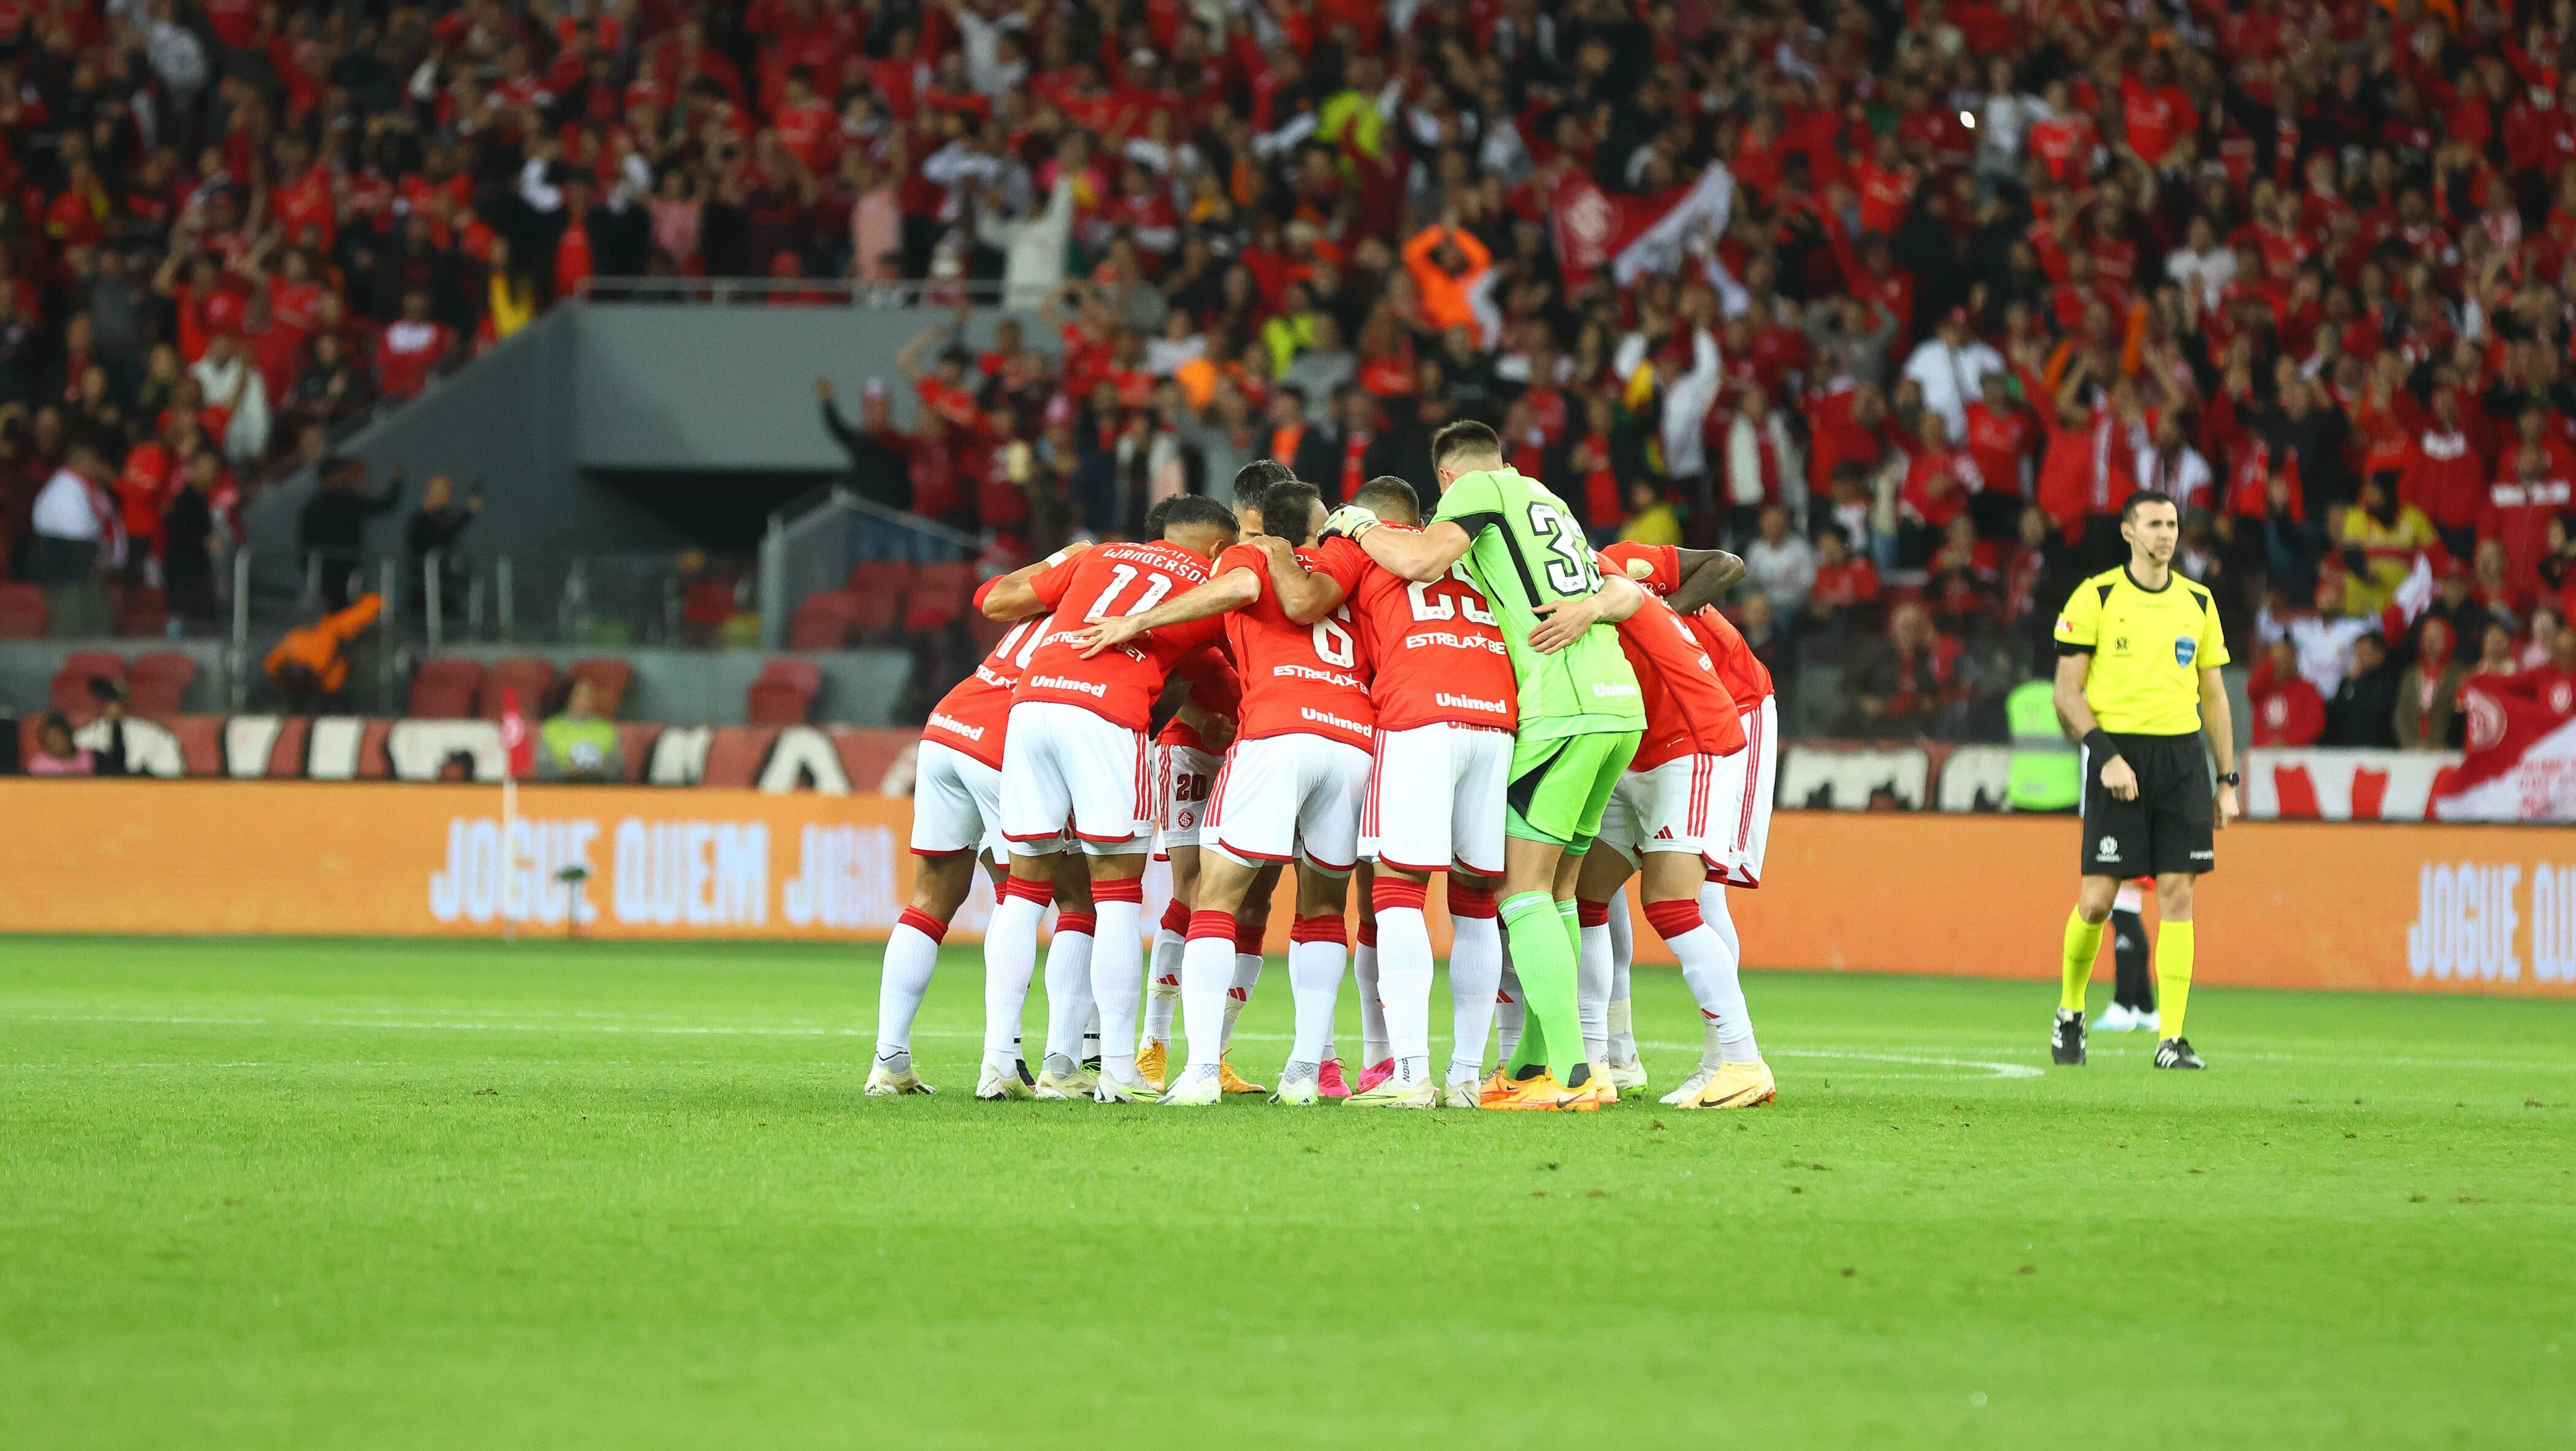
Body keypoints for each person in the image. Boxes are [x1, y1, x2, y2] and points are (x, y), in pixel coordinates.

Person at [1330, 419, 1650, 1111]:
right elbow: (1630, 594)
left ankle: (1571, 1074)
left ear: (1447, 480)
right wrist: (1591, 607)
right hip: (1618, 704)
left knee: (1522, 891)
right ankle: (1538, 1059)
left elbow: (1420, 561)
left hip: (1561, 706)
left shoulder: (1474, 492)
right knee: (1559, 890)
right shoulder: (1549, 503)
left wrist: (1358, 529)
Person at [1075, 476, 1375, 1107]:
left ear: (1264, 526)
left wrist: (1138, 619)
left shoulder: (1257, 555)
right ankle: (1303, 1072)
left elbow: (1236, 589)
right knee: (1323, 905)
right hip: (1352, 741)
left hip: (1276, 733)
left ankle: (1203, 1069)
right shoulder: (1351, 568)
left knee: (1217, 893)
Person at [1255, 473, 1521, 1108]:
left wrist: (1277, 548)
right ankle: (1463, 1076)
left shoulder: (1358, 540)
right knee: (1476, 896)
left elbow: (1307, 603)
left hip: (1419, 713)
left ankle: (1409, 1070)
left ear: (1359, 516)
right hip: (1495, 716)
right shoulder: (1462, 552)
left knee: (1398, 889)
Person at [975, 494, 1241, 1103]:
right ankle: (1118, 1068)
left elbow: (993, 599)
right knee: (1116, 892)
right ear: (1219, 548)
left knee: (1025, 887)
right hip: (1106, 715)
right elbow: (1235, 664)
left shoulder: (1096, 555)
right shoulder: (1211, 582)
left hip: (1032, 703)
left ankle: (997, 1061)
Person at [878, 543, 1098, 1099]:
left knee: (931, 899)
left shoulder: (1040, 596)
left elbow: (988, 595)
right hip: (1008, 738)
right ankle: (1023, 1062)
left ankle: (890, 1060)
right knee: (1068, 897)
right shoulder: (1109, 610)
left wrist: (1057, 558)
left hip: (949, 725)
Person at [2048, 489, 2237, 1072]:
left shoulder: (2198, 602)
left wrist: (2225, 778)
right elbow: (2066, 694)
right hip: (2118, 752)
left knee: (2179, 893)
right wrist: (2104, 755)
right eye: (2154, 523)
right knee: (2100, 899)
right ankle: (2071, 1011)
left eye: (2172, 524)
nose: (2165, 533)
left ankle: (2172, 1039)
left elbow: (2214, 696)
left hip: (2181, 759)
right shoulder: (2098, 596)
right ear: (2129, 532)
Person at [298, 458, 402, 611]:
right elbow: (383, 505)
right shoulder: (350, 500)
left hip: (323, 568)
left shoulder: (312, 506)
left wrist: (307, 565)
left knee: (331, 611)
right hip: (348, 567)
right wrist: (396, 483)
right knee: (348, 609)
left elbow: (303, 542)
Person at [264, 593, 385, 713]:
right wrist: (292, 673)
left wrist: (359, 593)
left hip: (332, 700)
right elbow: (271, 665)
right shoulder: (294, 638)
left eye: (310, 610)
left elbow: (376, 604)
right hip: (300, 700)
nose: (307, 614)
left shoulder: (334, 627)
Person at [405, 474, 481, 625]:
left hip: (444, 590)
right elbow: (442, 536)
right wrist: (468, 513)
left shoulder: (437, 520)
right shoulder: (421, 522)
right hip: (425, 589)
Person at [537, 676, 624, 783]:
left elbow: (618, 768)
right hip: (560, 789)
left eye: (589, 696)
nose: (585, 700)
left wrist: (602, 770)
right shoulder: (552, 728)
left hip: (599, 789)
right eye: (580, 695)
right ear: (570, 698)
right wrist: (564, 771)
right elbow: (543, 767)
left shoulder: (607, 730)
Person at [26, 711, 93, 776]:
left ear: (68, 735)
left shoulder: (85, 757)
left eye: (58, 738)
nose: (56, 743)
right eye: (51, 740)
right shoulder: (39, 764)